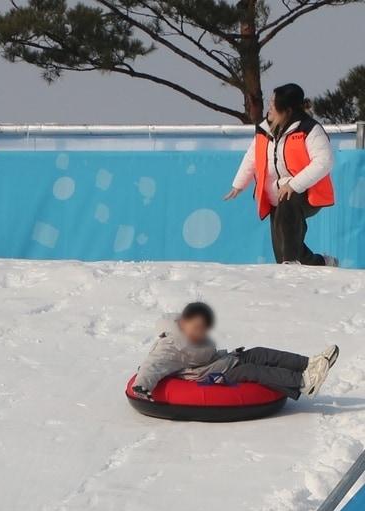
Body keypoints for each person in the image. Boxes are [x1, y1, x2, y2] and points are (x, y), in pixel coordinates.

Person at [131, 301, 339, 402]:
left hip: (221, 361)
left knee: (259, 352)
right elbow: (153, 365)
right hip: (210, 376)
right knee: (252, 370)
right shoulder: (170, 345)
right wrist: (141, 386)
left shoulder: (190, 334)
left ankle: (310, 363)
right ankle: (304, 382)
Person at [225, 83, 337, 266]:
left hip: (305, 193)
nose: (269, 107)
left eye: (272, 103)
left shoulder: (309, 129)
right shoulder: (265, 128)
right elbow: (253, 156)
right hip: (276, 195)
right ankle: (321, 263)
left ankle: (290, 263)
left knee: (288, 252)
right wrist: (239, 184)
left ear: (287, 110)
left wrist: (293, 184)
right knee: (284, 249)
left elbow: (324, 161)